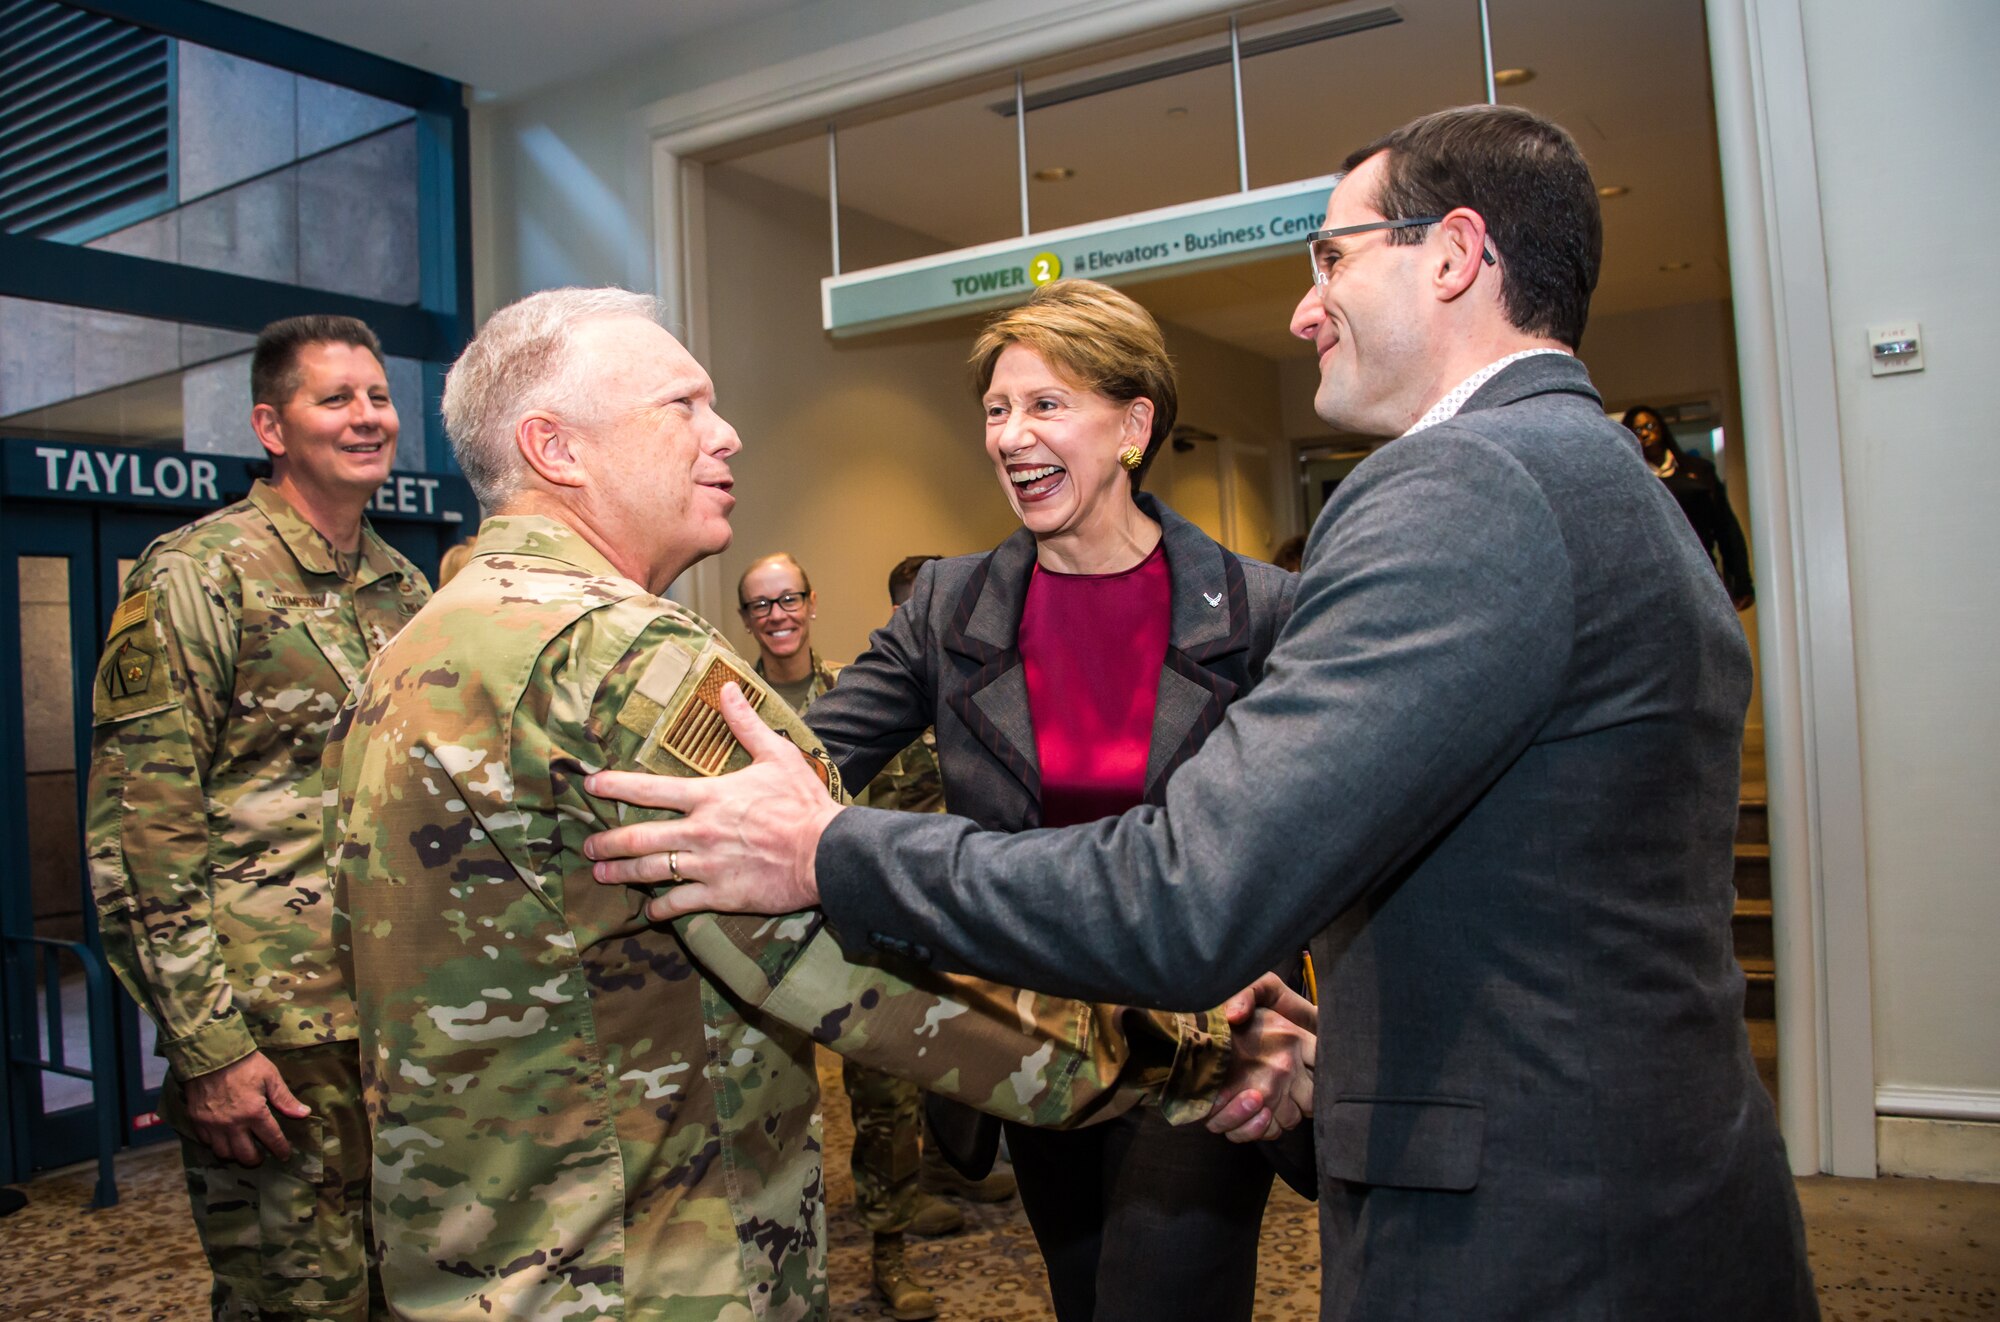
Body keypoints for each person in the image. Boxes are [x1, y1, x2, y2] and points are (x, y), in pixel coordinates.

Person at [582, 105, 1820, 1321]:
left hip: (1540, 1232)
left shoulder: (1462, 489)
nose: (1302, 305)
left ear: (1449, 255)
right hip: (1631, 1172)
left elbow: (1191, 893)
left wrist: (821, 848)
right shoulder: (1605, 471)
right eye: (996, 408)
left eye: (1330, 258)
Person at [325, 287, 1312, 1321]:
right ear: (555, 448)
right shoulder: (626, 658)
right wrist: (1195, 1045)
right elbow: (819, 920)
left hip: (492, 1247)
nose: (729, 431)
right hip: (646, 1251)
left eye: (1046, 404)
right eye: (683, 405)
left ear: (1134, 424)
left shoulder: (415, 645)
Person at [620, 278, 1297, 1322]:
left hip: (1207, 1033)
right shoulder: (948, 606)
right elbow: (808, 752)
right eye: (994, 408)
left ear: (1132, 424)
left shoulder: (1259, 611)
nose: (1009, 435)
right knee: (1083, 1294)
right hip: (1034, 1031)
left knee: (1157, 1298)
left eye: (1045, 404)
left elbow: (1327, 828)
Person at [86, 315, 428, 1318]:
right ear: (271, 426)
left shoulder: (401, 586)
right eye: (336, 398)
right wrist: (208, 1048)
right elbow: (140, 830)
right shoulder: (199, 574)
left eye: (378, 396)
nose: (367, 417)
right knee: (295, 1300)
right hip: (272, 1036)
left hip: (394, 1022)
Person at [736, 549, 970, 1320]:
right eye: (760, 605)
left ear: (810, 602)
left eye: (788, 599)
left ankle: (890, 1252)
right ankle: (775, 1267)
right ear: (747, 619)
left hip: (861, 937)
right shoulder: (729, 707)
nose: (777, 615)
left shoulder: (859, 693)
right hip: (764, 946)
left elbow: (917, 797)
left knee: (887, 1104)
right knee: (770, 1110)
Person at [1623, 404, 1755, 609]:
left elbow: (1726, 528)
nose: (1646, 434)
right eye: (1638, 430)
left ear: (1662, 428)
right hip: (1651, 585)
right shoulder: (1629, 481)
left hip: (1701, 575)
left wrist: (1742, 582)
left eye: (1650, 426)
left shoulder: (1699, 471)